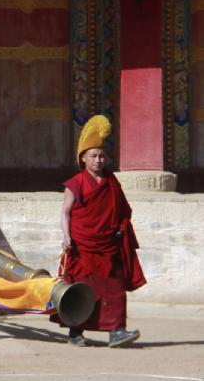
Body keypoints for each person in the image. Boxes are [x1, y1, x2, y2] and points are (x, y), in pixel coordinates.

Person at [56, 115, 146, 348]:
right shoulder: (75, 183)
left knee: (114, 289)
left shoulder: (112, 182)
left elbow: (123, 210)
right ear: (83, 158)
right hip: (82, 247)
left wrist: (120, 229)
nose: (98, 160)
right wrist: (66, 237)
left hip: (108, 246)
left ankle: (117, 331)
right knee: (83, 289)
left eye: (101, 155)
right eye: (93, 155)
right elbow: (65, 212)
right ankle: (76, 332)